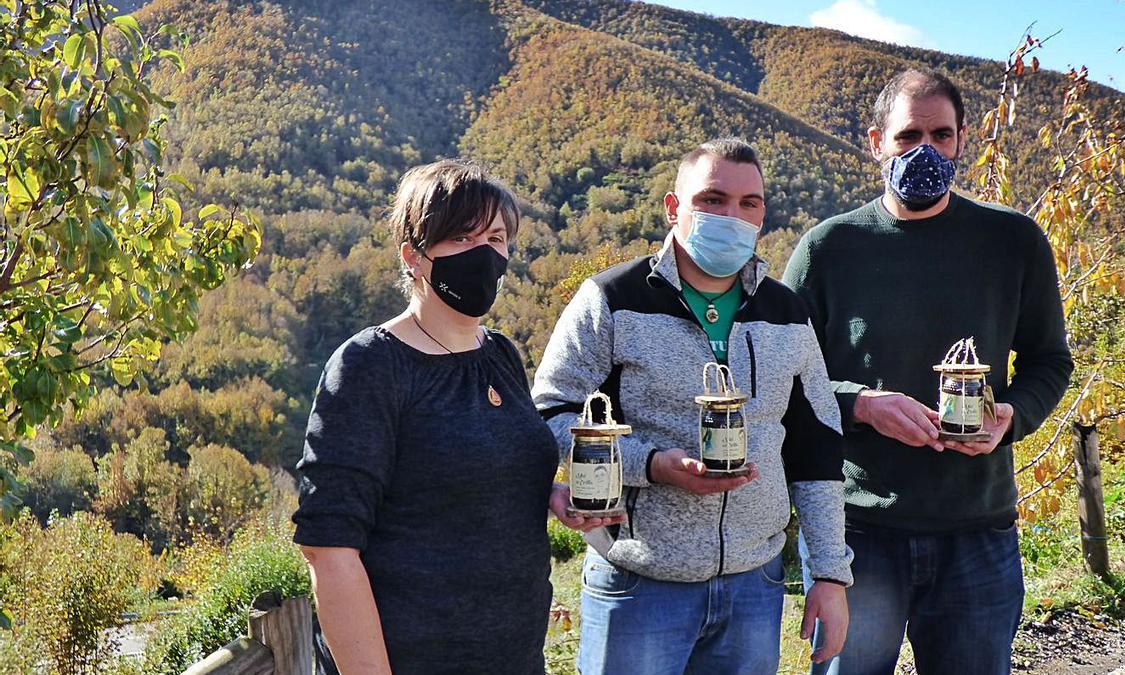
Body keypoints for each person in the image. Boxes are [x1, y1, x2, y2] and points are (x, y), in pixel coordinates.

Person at [783, 68, 1074, 675]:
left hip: (978, 529)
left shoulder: (1012, 241)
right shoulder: (828, 248)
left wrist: (1012, 416)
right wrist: (861, 405)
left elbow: (1049, 360)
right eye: (907, 134)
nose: (926, 149)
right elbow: (784, 380)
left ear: (962, 139)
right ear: (875, 142)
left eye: (941, 135)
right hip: (858, 531)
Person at [533, 138, 854, 674]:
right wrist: (652, 465)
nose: (732, 215)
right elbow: (551, 414)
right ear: (672, 206)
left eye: (748, 203)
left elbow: (816, 447)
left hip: (756, 583)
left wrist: (828, 574)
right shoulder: (612, 300)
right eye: (712, 199)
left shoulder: (786, 312)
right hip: (638, 582)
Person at [292, 159, 617, 674]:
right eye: (462, 239)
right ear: (414, 257)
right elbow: (328, 549)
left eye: (495, 237)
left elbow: (472, 479)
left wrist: (552, 498)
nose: (485, 255)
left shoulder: (500, 355)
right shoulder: (369, 366)